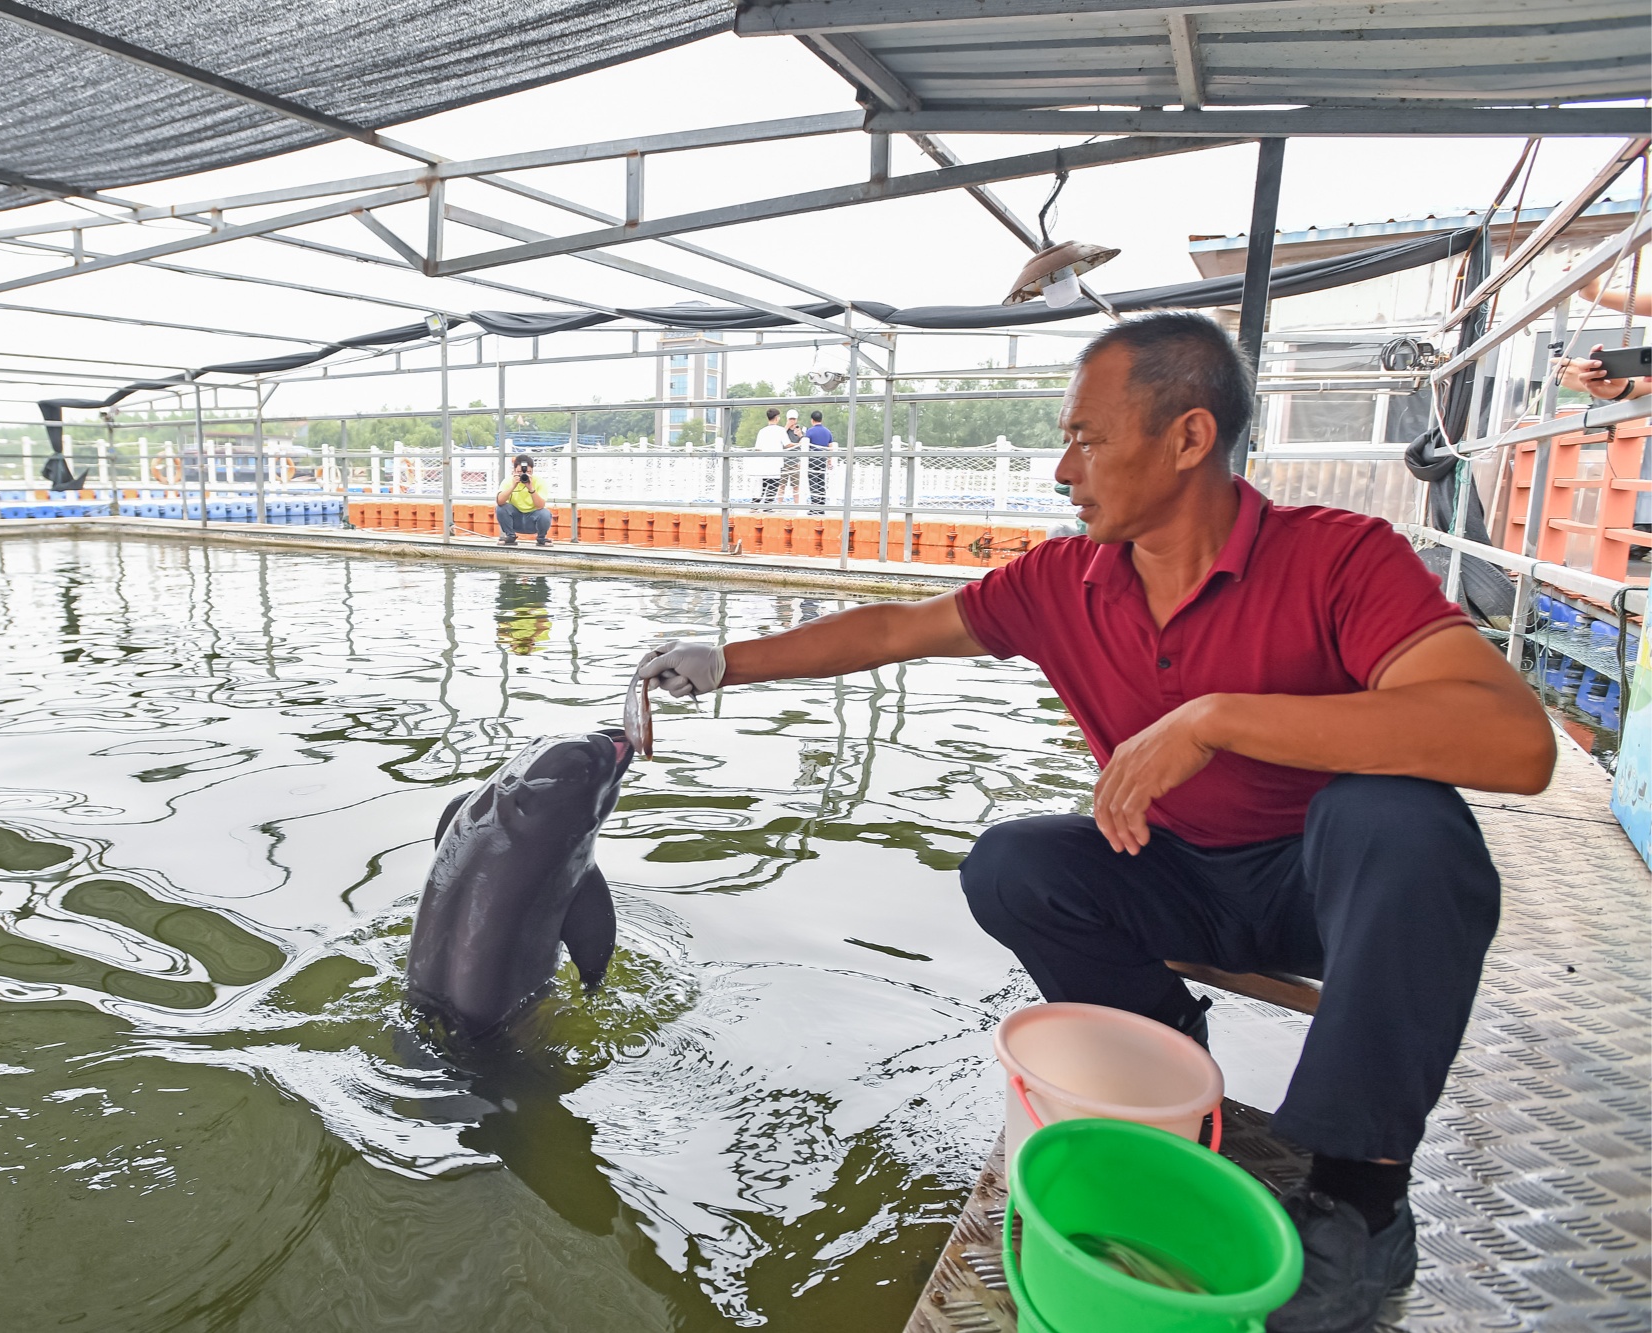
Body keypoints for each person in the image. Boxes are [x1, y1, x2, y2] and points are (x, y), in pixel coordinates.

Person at [634, 311, 1556, 1333]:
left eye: (1085, 436)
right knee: (1014, 863)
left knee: (1401, 820)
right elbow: (899, 627)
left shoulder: (1337, 558)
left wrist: (1215, 719)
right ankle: (1166, 1072)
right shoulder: (1059, 581)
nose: (1061, 466)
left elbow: (1513, 744)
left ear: (1187, 437)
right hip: (1174, 877)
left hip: (1325, 895)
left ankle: (1358, 1197)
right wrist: (726, 662)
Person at [495, 454, 552, 546]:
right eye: (520, 472)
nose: (524, 475)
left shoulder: (539, 481)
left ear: (532, 471)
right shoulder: (508, 481)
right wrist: (513, 486)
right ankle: (510, 536)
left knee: (545, 513)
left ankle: (541, 538)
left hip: (533, 519)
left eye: (528, 472)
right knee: (501, 508)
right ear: (514, 471)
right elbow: (499, 501)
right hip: (516, 518)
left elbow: (540, 506)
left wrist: (531, 489)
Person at [750, 408, 790, 506]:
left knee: (762, 485)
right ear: (776, 418)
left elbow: (758, 448)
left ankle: (755, 504)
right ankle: (768, 505)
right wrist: (800, 443)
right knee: (774, 484)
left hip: (763, 463)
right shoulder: (780, 430)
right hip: (775, 463)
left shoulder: (762, 431)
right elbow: (787, 444)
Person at [803, 410, 833, 513]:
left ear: (812, 420)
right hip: (822, 459)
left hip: (812, 459)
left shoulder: (810, 431)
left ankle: (814, 505)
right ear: (821, 419)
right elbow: (830, 447)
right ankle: (822, 505)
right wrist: (829, 460)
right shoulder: (827, 432)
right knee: (821, 481)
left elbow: (805, 446)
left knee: (813, 482)